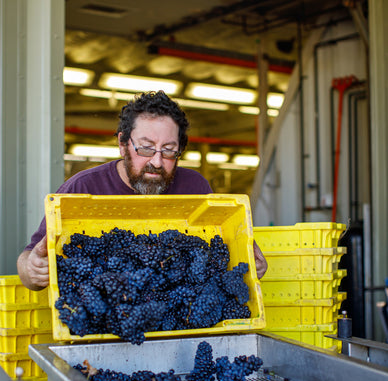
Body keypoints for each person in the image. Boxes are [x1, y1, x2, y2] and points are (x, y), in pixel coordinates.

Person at [17, 90, 267, 291]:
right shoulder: (81, 188)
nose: (157, 162)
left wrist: (249, 264)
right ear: (123, 144)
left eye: (169, 150)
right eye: (146, 148)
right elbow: (29, 257)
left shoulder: (196, 188)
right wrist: (32, 270)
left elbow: (221, 257)